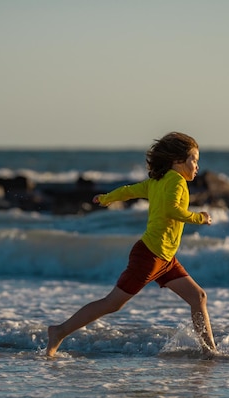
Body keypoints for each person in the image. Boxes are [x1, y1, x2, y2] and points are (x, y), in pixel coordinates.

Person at [46, 132, 216, 357]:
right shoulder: (176, 181)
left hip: (164, 258)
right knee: (112, 303)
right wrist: (199, 218)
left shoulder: (158, 181)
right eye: (194, 159)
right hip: (151, 256)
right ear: (177, 161)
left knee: (198, 297)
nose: (197, 165)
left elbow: (129, 191)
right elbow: (171, 210)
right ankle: (59, 331)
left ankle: (209, 352)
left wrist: (107, 198)